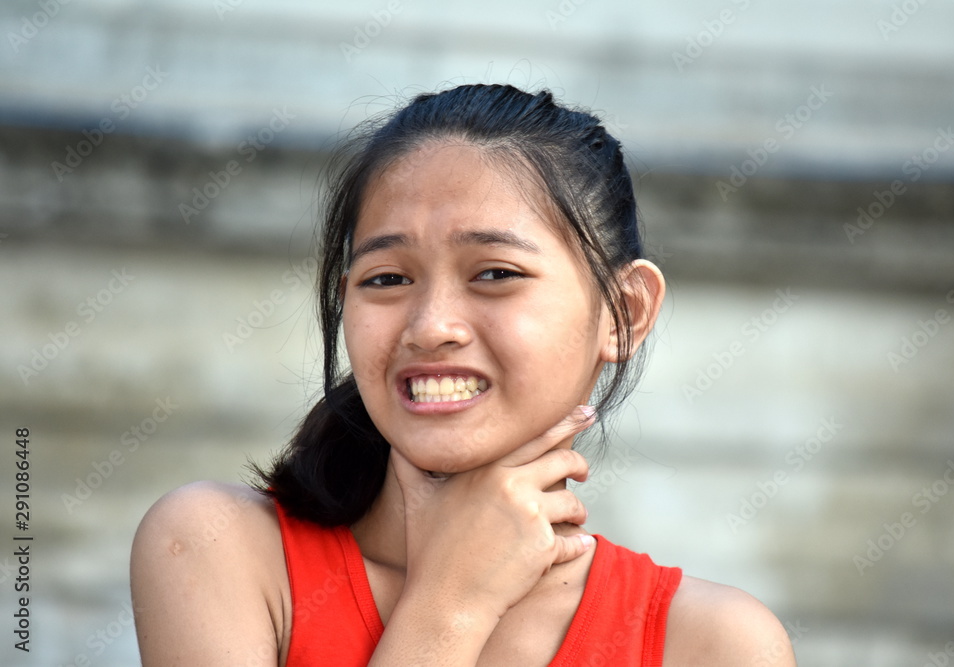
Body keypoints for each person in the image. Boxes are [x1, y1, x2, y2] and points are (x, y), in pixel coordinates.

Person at [130, 83, 795, 666]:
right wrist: (451, 603)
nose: (430, 326)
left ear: (624, 312)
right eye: (387, 279)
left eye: (495, 273)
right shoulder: (216, 547)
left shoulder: (714, 643)